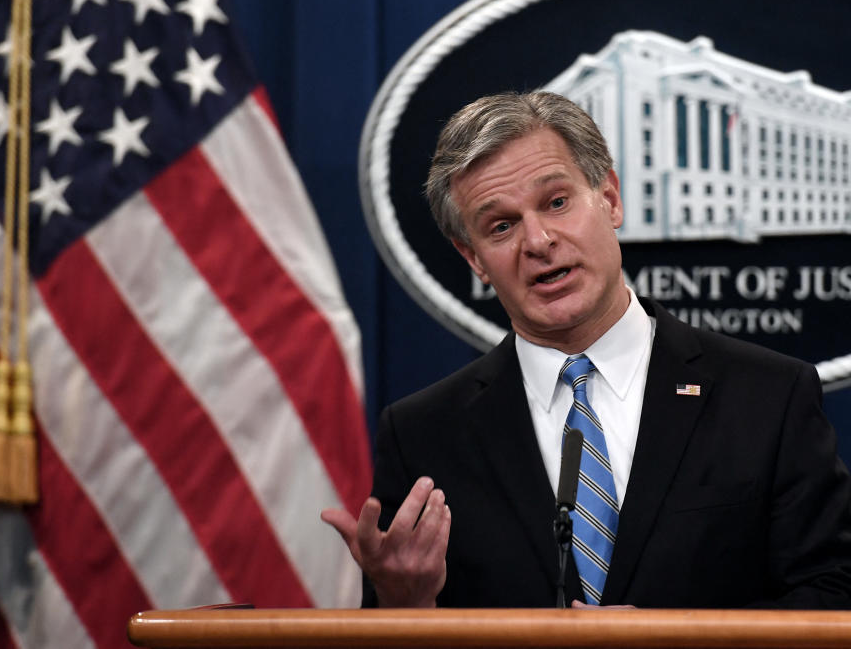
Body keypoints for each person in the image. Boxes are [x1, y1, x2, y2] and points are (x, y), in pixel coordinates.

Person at [322, 91, 851, 609]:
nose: (538, 241)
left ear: (611, 199)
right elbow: (394, 630)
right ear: (474, 258)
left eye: (556, 203)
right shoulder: (424, 434)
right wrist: (407, 603)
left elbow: (834, 592)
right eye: (501, 226)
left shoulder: (766, 396)